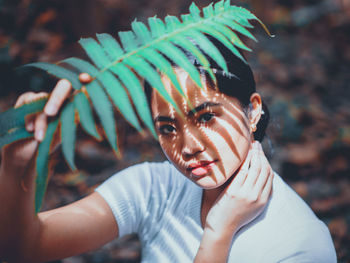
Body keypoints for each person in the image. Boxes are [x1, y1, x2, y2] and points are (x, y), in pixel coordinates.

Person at [0, 38, 336, 263]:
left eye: (206, 116)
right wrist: (17, 168)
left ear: (253, 111)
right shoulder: (157, 188)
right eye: (168, 128)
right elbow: (23, 249)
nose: (188, 147)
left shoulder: (299, 245)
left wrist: (220, 232)